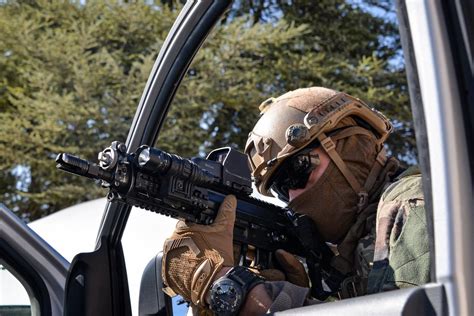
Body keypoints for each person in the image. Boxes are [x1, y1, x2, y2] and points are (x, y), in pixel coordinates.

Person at [161, 87, 430, 314]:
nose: (292, 198)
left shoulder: (411, 206)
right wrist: (299, 302)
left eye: (295, 172)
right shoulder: (355, 252)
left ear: (351, 149)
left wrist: (232, 289)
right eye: (280, 188)